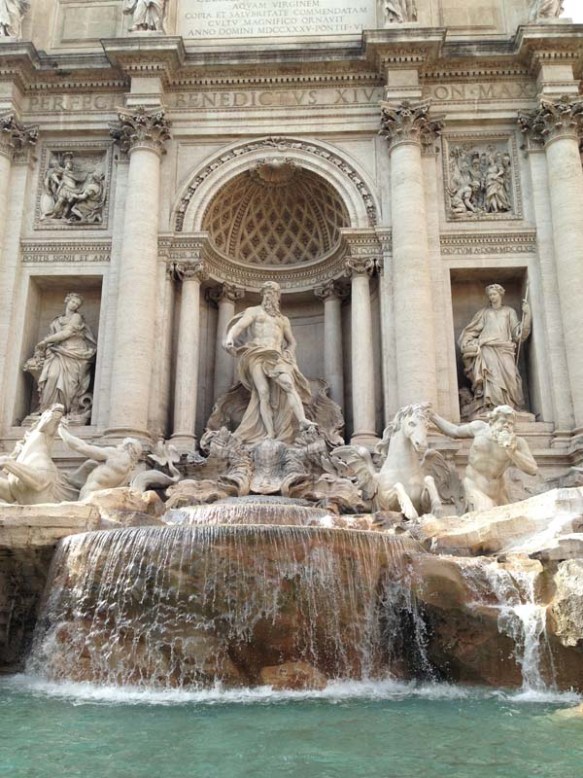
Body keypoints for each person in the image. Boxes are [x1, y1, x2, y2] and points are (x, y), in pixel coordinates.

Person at [223, 281, 316, 445]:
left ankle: (302, 420)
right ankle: (270, 433)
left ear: (277, 297)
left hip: (276, 356)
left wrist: (289, 353)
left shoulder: (283, 320)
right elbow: (239, 326)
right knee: (263, 393)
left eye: (272, 293)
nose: (269, 296)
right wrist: (230, 338)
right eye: (266, 293)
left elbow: (292, 342)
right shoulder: (254, 312)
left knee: (288, 385)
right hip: (256, 354)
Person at [430, 405, 538, 512]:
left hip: (499, 492)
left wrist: (512, 452)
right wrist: (433, 416)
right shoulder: (479, 428)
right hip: (474, 486)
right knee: (487, 513)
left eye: (510, 424)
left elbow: (533, 470)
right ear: (492, 422)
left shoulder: (517, 443)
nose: (506, 426)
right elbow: (454, 431)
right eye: (502, 422)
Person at [459, 284, 531, 414]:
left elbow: (517, 334)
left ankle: (512, 406)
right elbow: (472, 330)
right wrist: (466, 341)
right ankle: (492, 408)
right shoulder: (484, 313)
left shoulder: (509, 311)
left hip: (505, 348)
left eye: (494, 294)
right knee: (492, 377)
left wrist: (527, 316)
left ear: (500, 294)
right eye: (490, 295)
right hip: (487, 348)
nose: (492, 297)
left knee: (511, 379)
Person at [27, 293, 97, 421]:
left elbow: (67, 333)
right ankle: (46, 409)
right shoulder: (56, 320)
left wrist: (45, 341)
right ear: (67, 301)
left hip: (74, 352)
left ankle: (65, 410)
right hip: (58, 352)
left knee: (70, 384)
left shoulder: (77, 317)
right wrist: (46, 347)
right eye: (73, 302)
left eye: (77, 304)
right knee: (52, 376)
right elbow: (55, 337)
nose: (74, 305)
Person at [58, 422, 143, 499]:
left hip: (89, 495)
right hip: (101, 499)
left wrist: (61, 431)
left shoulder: (115, 454)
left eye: (121, 444)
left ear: (127, 446)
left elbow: (81, 447)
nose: (118, 445)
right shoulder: (128, 473)